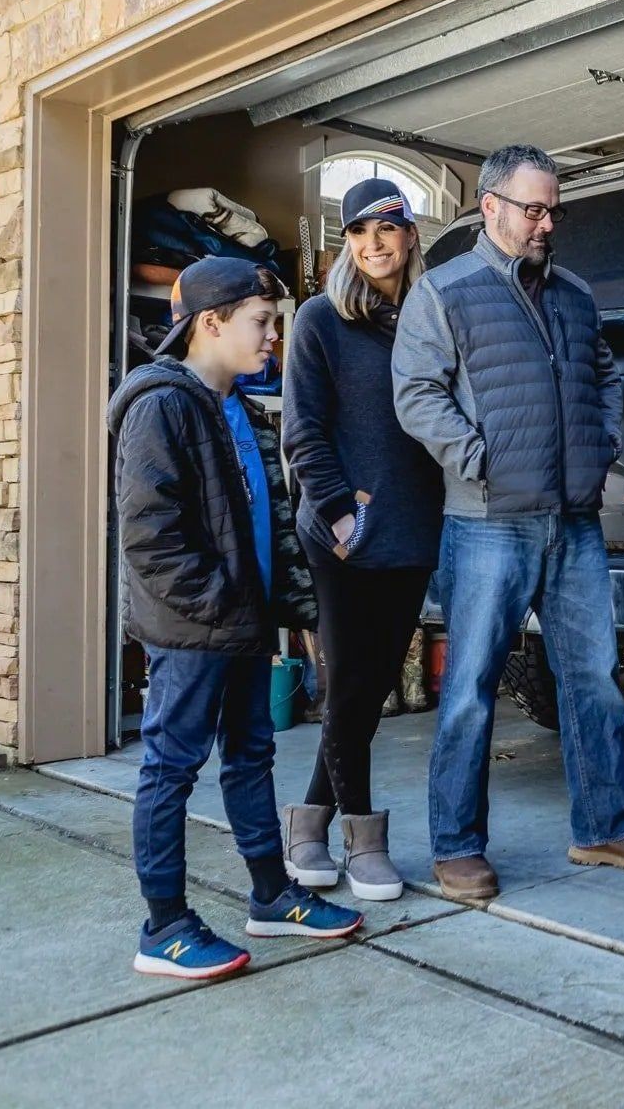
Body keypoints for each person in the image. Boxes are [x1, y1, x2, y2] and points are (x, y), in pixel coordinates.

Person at [393, 143, 624, 900]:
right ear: (491, 207)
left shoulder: (576, 295)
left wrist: (601, 444)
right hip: (487, 522)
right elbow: (416, 394)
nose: (547, 222)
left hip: (573, 521)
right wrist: (481, 459)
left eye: (554, 209)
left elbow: (605, 376)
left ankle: (608, 827)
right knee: (471, 690)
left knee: (594, 679)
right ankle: (456, 846)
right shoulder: (444, 292)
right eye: (534, 208)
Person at [109, 256, 364, 980]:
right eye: (261, 323)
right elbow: (150, 536)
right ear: (211, 323)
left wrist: (292, 608)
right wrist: (222, 606)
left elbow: (272, 523)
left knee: (251, 757)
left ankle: (270, 895)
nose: (273, 338)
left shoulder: (238, 409)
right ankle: (162, 927)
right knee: (171, 767)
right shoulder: (161, 404)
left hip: (244, 623)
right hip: (195, 628)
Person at [280, 179, 444, 902]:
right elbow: (302, 430)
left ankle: (306, 825)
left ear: (410, 235)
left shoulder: (430, 319)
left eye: (387, 229)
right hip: (343, 534)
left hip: (414, 530)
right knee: (348, 683)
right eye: (357, 233)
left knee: (368, 689)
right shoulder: (320, 319)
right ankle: (361, 838)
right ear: (344, 244)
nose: (373, 244)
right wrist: (343, 514)